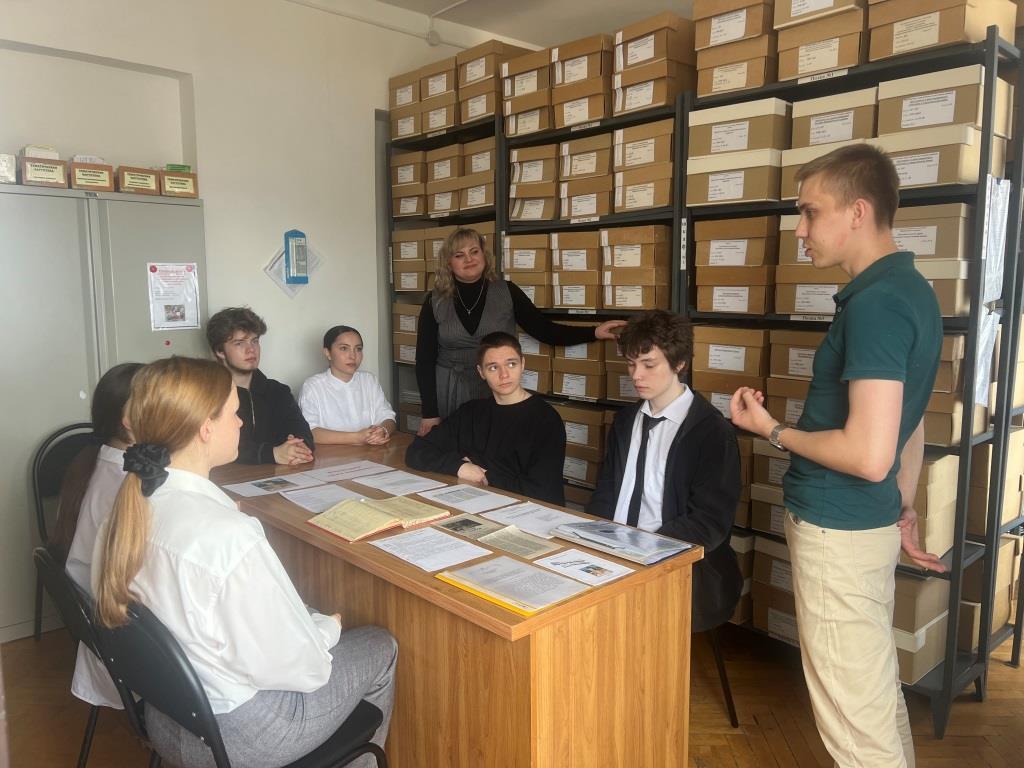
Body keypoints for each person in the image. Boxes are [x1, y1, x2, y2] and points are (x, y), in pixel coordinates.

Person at [729, 144, 944, 768]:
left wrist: (772, 430)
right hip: (865, 524)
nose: (799, 230)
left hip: (837, 530)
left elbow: (869, 454)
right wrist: (903, 506)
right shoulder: (910, 289)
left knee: (855, 725)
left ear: (858, 211)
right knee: (872, 697)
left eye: (809, 212)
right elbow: (907, 423)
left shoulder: (877, 304)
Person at [93, 357, 397, 768]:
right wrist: (328, 629)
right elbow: (304, 669)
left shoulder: (124, 514)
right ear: (205, 428)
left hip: (168, 719)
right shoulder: (228, 534)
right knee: (380, 644)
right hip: (242, 736)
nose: (240, 423)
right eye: (234, 413)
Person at [587, 310, 742, 633]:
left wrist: (644, 549)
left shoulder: (711, 431)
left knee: (628, 630)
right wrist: (594, 539)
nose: (636, 375)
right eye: (631, 364)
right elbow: (606, 490)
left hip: (673, 560)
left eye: (649, 364)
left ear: (679, 363)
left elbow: (710, 521)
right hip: (614, 553)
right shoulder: (625, 421)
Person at [415, 227, 625, 434]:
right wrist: (430, 413)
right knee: (455, 448)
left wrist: (593, 332)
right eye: (459, 255)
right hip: (451, 389)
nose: (469, 259)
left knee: (498, 445)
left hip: (498, 385)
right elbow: (424, 359)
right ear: (449, 263)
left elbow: (544, 330)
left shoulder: (506, 291)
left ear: (484, 255)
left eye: (474, 251)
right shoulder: (435, 301)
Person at [50, 362, 143, 710]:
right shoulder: (129, 486)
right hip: (127, 642)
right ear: (130, 421)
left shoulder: (93, 461)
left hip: (102, 631)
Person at [406, 332, 566, 505]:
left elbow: (541, 492)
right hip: (476, 503)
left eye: (511, 364)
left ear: (523, 364)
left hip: (528, 512)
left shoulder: (546, 419)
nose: (504, 375)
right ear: (481, 372)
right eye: (493, 367)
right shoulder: (470, 412)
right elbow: (417, 451)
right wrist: (460, 467)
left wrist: (484, 473)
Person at [206, 307, 314, 465]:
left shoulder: (278, 391)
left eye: (254, 341)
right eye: (239, 343)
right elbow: (211, 446)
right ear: (220, 351)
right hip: (227, 476)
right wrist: (272, 454)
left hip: (282, 473)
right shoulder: (207, 394)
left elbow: (303, 434)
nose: (251, 349)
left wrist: (298, 448)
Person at [298, 325, 396, 446]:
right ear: (328, 353)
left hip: (372, 452)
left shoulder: (369, 380)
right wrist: (357, 437)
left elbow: (388, 416)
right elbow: (310, 431)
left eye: (358, 349)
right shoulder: (313, 386)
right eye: (344, 348)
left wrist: (383, 430)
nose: (353, 356)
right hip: (332, 455)